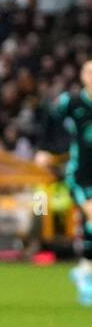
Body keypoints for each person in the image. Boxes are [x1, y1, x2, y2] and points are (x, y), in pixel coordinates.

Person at [52, 59, 92, 306]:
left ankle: (84, 270)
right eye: (89, 71)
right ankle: (86, 274)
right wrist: (48, 150)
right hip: (80, 175)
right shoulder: (72, 102)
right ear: (82, 76)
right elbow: (50, 125)